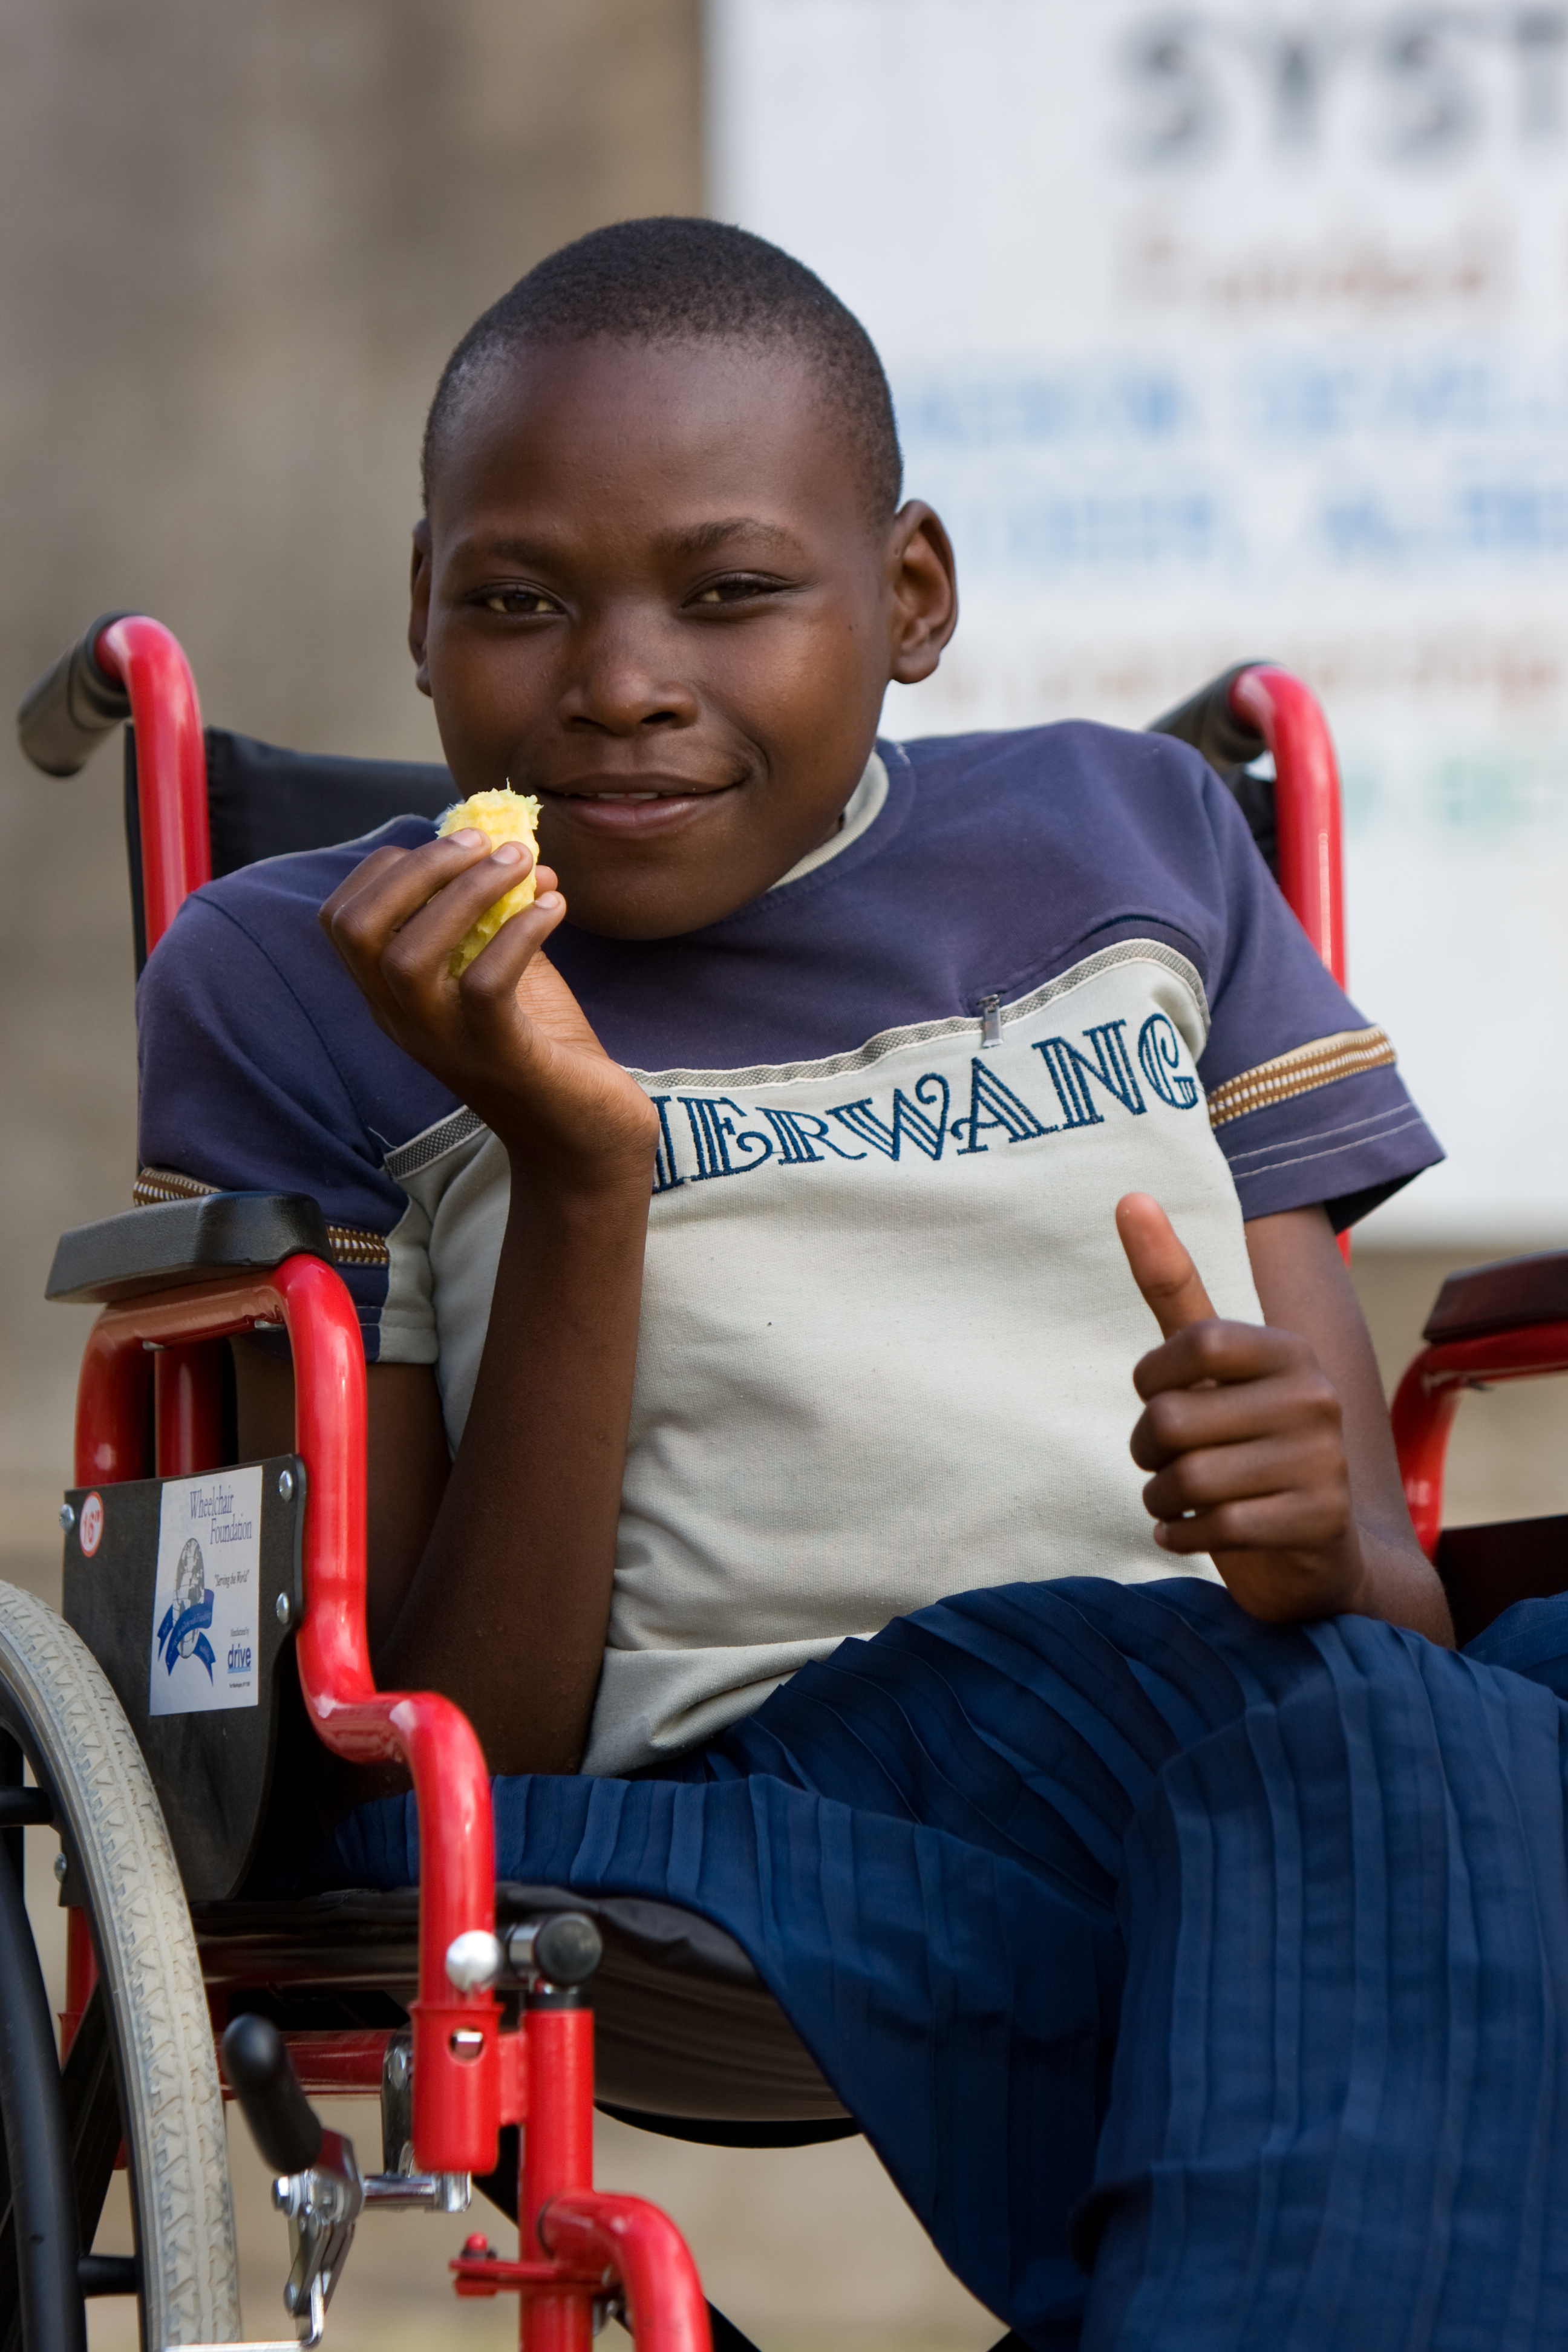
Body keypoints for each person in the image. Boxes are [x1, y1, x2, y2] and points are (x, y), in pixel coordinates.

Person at [136, 220, 1568, 2348]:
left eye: (731, 593)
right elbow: (437, 1745)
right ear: (418, 613)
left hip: (1271, 1724)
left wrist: (1309, 1537)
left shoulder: (1141, 837)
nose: (619, 678)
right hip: (767, 1778)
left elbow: (1385, 1590)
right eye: (519, 599)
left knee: (1386, 1727)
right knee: (1395, 1764)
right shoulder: (320, 971)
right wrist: (582, 1173)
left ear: (911, 598)